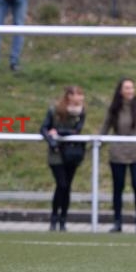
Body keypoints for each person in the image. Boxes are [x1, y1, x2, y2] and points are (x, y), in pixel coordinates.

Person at [100, 78, 136, 234]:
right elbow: (106, 126)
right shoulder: (114, 108)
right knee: (118, 187)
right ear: (121, 91)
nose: (130, 90)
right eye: (127, 88)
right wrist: (98, 143)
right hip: (118, 153)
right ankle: (117, 221)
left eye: (132, 87)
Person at [40, 86, 86, 232]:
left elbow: (76, 131)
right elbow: (43, 128)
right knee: (62, 184)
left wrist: (58, 132)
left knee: (67, 187)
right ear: (69, 96)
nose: (80, 98)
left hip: (71, 152)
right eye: (78, 94)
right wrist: (52, 140)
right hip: (56, 152)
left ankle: (63, 219)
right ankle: (54, 217)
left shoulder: (81, 112)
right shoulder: (55, 111)